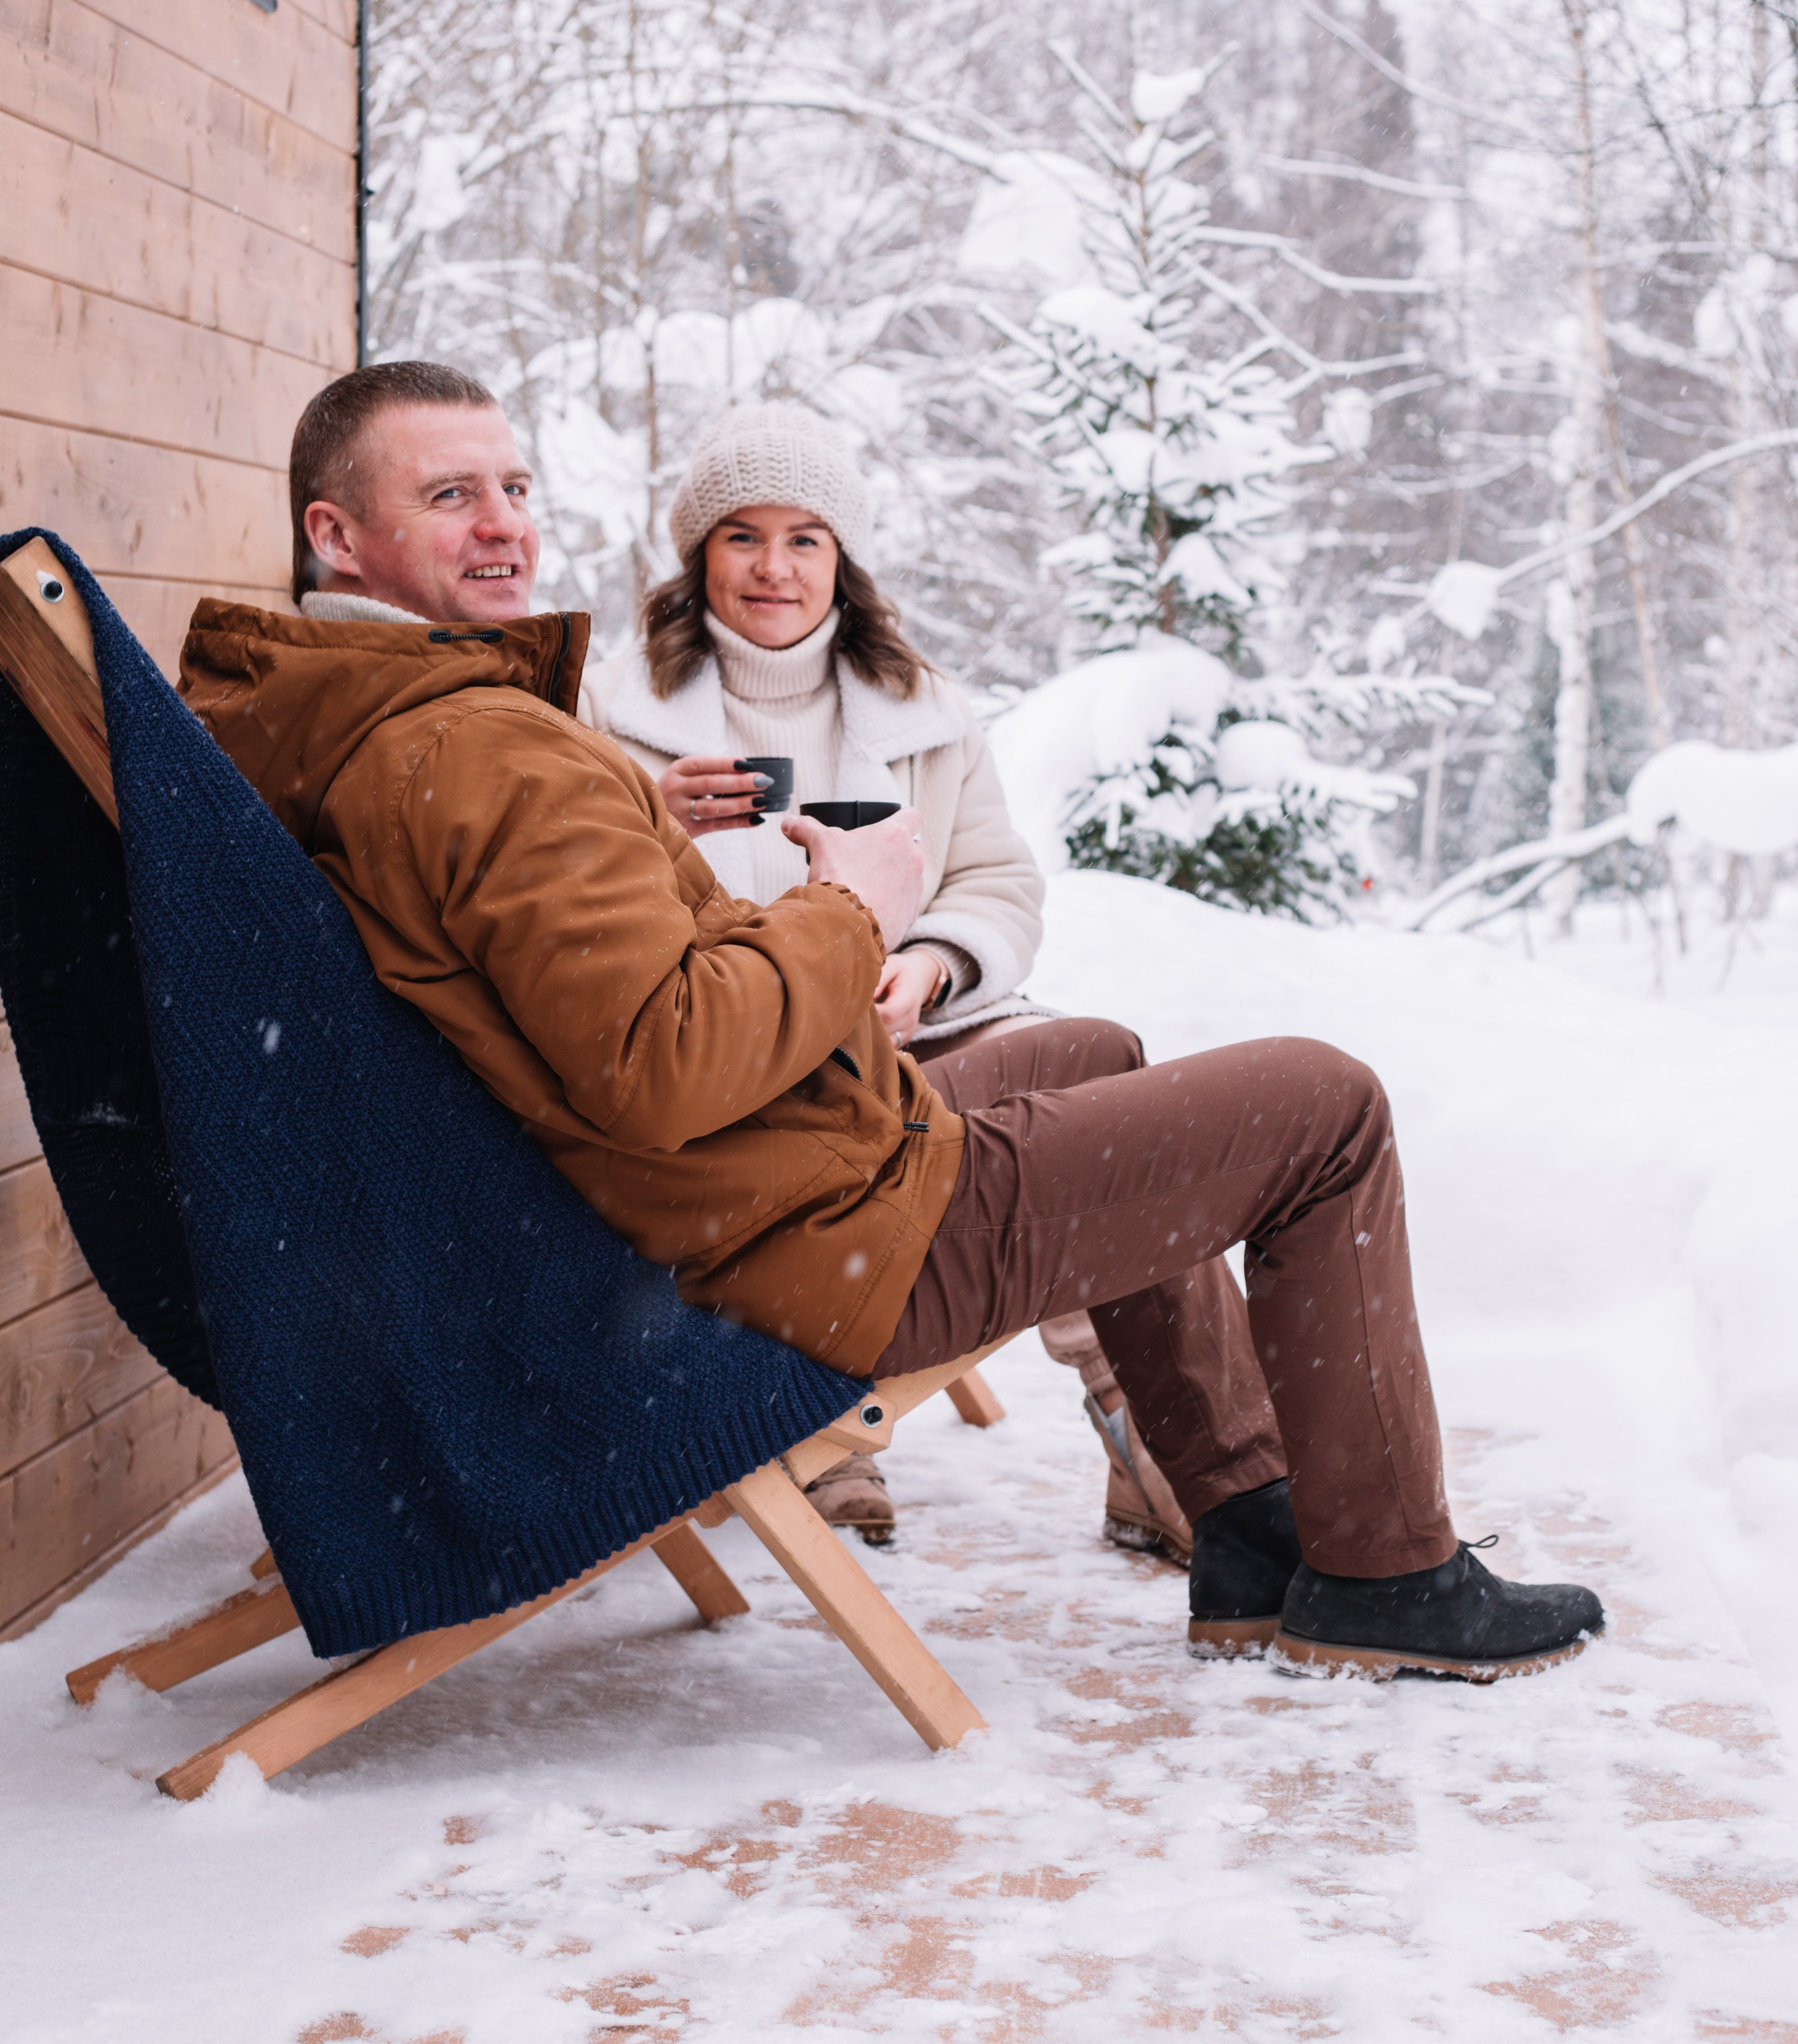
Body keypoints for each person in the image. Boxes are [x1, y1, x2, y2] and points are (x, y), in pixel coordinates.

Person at [182, 359, 1604, 1680]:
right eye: (448, 497)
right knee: (1323, 1105)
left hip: (753, 1171)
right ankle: (1384, 1578)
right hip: (799, 1231)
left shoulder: (390, 727)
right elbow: (666, 1062)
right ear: (336, 536)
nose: (503, 528)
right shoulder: (488, 742)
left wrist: (868, 941)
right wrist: (850, 906)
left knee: (1097, 1060)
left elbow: (629, 996)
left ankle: (1242, 1522)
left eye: (513, 490)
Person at [582, 399, 1129, 1542]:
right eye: (742, 536)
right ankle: (814, 1432)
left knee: (1094, 1092)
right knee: (999, 1136)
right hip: (733, 1059)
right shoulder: (607, 711)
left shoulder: (922, 709)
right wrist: (647, 807)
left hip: (910, 1030)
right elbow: (568, 905)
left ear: (844, 557)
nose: (773, 568)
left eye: (805, 539)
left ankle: (1135, 1424)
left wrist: (928, 966)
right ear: (698, 556)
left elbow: (997, 885)